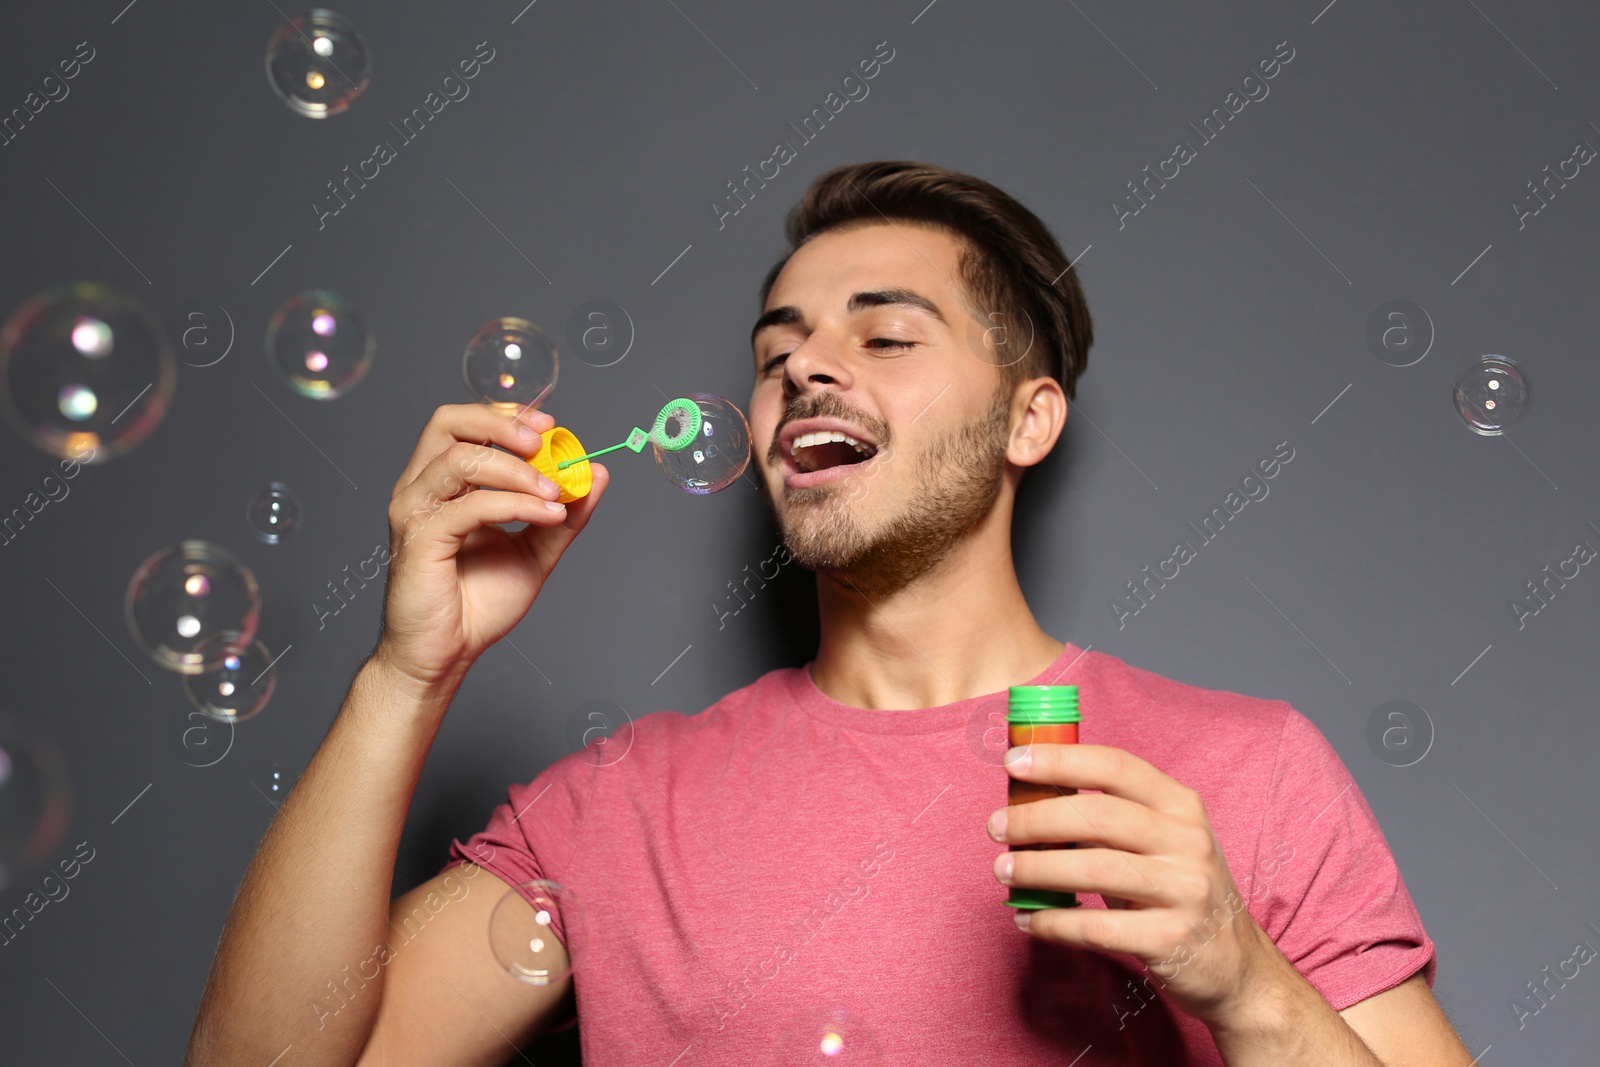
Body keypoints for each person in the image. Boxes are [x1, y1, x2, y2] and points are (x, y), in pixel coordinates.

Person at [185, 161, 1474, 1066]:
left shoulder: (1244, 772)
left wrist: (1246, 987)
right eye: (775, 351)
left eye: (888, 336)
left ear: (1029, 418)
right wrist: (411, 674)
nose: (807, 366)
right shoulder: (620, 808)